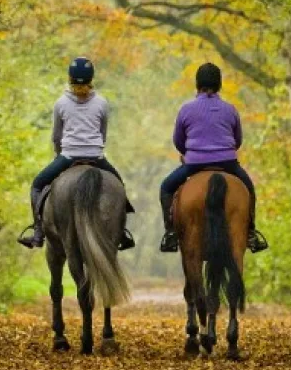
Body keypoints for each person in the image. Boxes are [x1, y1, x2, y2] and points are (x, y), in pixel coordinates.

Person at [17, 57, 135, 251]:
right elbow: (102, 133)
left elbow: (56, 136)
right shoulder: (102, 103)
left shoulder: (61, 103)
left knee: (37, 185)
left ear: (69, 77)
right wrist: (95, 148)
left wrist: (59, 154)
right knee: (118, 185)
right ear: (91, 78)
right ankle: (120, 232)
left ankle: (38, 232)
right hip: (96, 156)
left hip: (68, 156)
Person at [159, 62, 268, 253]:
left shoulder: (186, 109)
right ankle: (251, 232)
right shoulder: (230, 109)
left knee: (166, 187)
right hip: (227, 163)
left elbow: (178, 141)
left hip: (194, 164)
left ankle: (170, 234)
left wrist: (189, 153)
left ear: (197, 84)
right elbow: (237, 140)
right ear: (219, 84)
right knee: (248, 189)